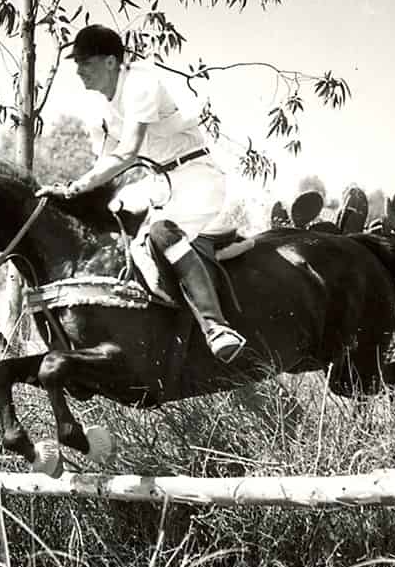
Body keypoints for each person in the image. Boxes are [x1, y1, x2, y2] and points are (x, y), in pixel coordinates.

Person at [35, 24, 246, 364]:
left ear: (110, 62)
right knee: (115, 213)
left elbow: (129, 151)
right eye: (76, 64)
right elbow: (104, 167)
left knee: (162, 230)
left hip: (196, 175)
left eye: (85, 63)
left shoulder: (140, 82)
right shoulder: (100, 109)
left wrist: (75, 188)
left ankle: (215, 326)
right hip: (160, 181)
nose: (78, 71)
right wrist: (66, 195)